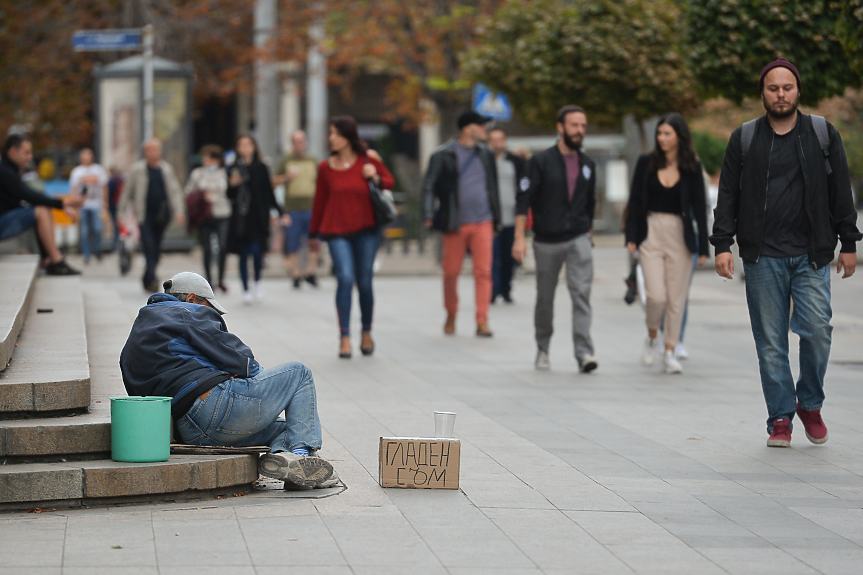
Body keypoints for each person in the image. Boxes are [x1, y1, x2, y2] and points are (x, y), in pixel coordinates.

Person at [711, 58, 861, 447]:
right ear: (762, 93)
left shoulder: (821, 133)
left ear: (798, 91)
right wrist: (723, 245)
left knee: (817, 331)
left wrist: (849, 243)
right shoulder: (743, 139)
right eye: (773, 88)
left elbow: (841, 191)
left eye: (787, 88)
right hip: (762, 257)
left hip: (811, 255)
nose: (781, 95)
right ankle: (780, 417)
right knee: (771, 342)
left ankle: (809, 402)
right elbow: (727, 195)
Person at [119, 271, 338, 489]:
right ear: (192, 298)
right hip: (213, 407)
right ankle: (304, 456)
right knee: (299, 374)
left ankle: (289, 463)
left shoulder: (139, 329)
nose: (212, 313)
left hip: (187, 430)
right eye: (210, 307)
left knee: (286, 429)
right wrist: (262, 380)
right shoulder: (188, 312)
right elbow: (243, 362)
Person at [512, 105, 598, 373]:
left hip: (579, 238)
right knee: (545, 298)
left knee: (581, 294)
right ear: (560, 128)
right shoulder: (539, 162)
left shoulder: (588, 165)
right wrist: (519, 238)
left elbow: (589, 203)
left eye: (583, 125)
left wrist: (589, 233)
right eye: (574, 125)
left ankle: (584, 353)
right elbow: (523, 200)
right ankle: (543, 349)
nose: (580, 130)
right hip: (546, 240)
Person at [625, 113, 709, 374]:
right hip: (651, 232)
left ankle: (670, 350)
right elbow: (635, 201)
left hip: (680, 235)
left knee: (676, 298)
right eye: (659, 133)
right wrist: (631, 236)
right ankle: (652, 336)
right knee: (656, 296)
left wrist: (704, 246)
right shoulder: (645, 162)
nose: (661, 138)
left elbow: (699, 207)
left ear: (679, 137)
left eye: (667, 133)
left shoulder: (692, 167)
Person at [309, 116, 395, 358]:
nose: (331, 138)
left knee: (365, 281)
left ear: (348, 136)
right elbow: (320, 201)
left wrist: (375, 177)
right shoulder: (326, 167)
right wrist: (313, 235)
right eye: (330, 133)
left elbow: (389, 182)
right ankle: (344, 336)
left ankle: (366, 331)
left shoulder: (370, 158)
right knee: (345, 278)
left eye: (335, 133)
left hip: (367, 229)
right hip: (336, 231)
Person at [422, 111, 501, 337]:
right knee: (451, 272)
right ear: (468, 128)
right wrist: (428, 213)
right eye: (481, 126)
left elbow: (492, 187)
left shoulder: (486, 154)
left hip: (483, 221)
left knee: (484, 271)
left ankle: (482, 319)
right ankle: (451, 312)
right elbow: (429, 186)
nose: (485, 130)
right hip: (454, 222)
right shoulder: (442, 155)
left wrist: (497, 218)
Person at [0, 133, 83, 275]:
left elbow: (28, 197)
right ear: (13, 152)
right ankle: (56, 261)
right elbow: (29, 195)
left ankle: (49, 260)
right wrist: (62, 204)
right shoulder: (4, 172)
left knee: (38, 210)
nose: (30, 157)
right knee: (40, 210)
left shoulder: (11, 171)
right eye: (26, 152)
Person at [119, 138, 185, 292]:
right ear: (145, 152)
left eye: (157, 149)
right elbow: (126, 192)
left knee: (156, 247)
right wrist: (121, 213)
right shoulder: (137, 169)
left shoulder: (166, 169)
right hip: (144, 215)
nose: (155, 153)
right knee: (148, 245)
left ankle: (148, 277)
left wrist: (179, 211)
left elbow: (175, 192)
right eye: (151, 149)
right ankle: (151, 278)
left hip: (162, 215)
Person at [227, 135, 285, 303]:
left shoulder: (261, 167)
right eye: (241, 145)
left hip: (258, 216)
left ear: (254, 147)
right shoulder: (234, 167)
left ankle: (258, 280)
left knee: (258, 252)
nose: (245, 148)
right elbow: (228, 194)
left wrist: (280, 212)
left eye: (248, 145)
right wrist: (233, 184)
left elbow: (268, 191)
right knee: (244, 254)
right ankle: (245, 288)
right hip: (241, 217)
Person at [274, 130, 320, 289]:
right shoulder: (285, 160)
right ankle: (295, 273)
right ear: (292, 144)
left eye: (302, 141)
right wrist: (287, 177)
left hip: (312, 207)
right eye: (296, 142)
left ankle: (310, 271)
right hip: (292, 208)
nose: (300, 145)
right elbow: (274, 181)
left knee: (313, 241)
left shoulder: (313, 160)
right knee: (293, 242)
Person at [185, 145, 230, 292]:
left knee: (222, 246)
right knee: (207, 249)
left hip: (222, 213)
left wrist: (214, 197)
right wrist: (200, 196)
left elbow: (229, 192)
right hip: (204, 215)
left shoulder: (225, 174)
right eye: (205, 158)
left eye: (210, 158)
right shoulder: (198, 174)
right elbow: (189, 191)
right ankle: (209, 280)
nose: (207, 161)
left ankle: (221, 278)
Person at [488, 127, 526, 304]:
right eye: (493, 140)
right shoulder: (483, 161)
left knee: (508, 257)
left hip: (512, 217)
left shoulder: (514, 161)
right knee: (492, 257)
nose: (497, 143)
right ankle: (493, 290)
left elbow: (524, 185)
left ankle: (506, 289)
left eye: (500, 139)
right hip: (490, 218)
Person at [69, 148, 109, 264]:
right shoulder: (77, 172)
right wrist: (74, 205)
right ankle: (86, 254)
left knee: (97, 229)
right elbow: (74, 189)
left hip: (96, 204)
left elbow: (104, 187)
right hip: (83, 205)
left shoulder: (98, 170)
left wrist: (105, 202)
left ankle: (96, 250)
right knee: (84, 230)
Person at [107, 167, 124, 251]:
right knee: (121, 227)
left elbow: (109, 194)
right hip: (122, 206)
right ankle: (121, 246)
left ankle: (117, 246)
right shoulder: (122, 180)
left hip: (113, 206)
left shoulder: (111, 181)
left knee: (116, 227)